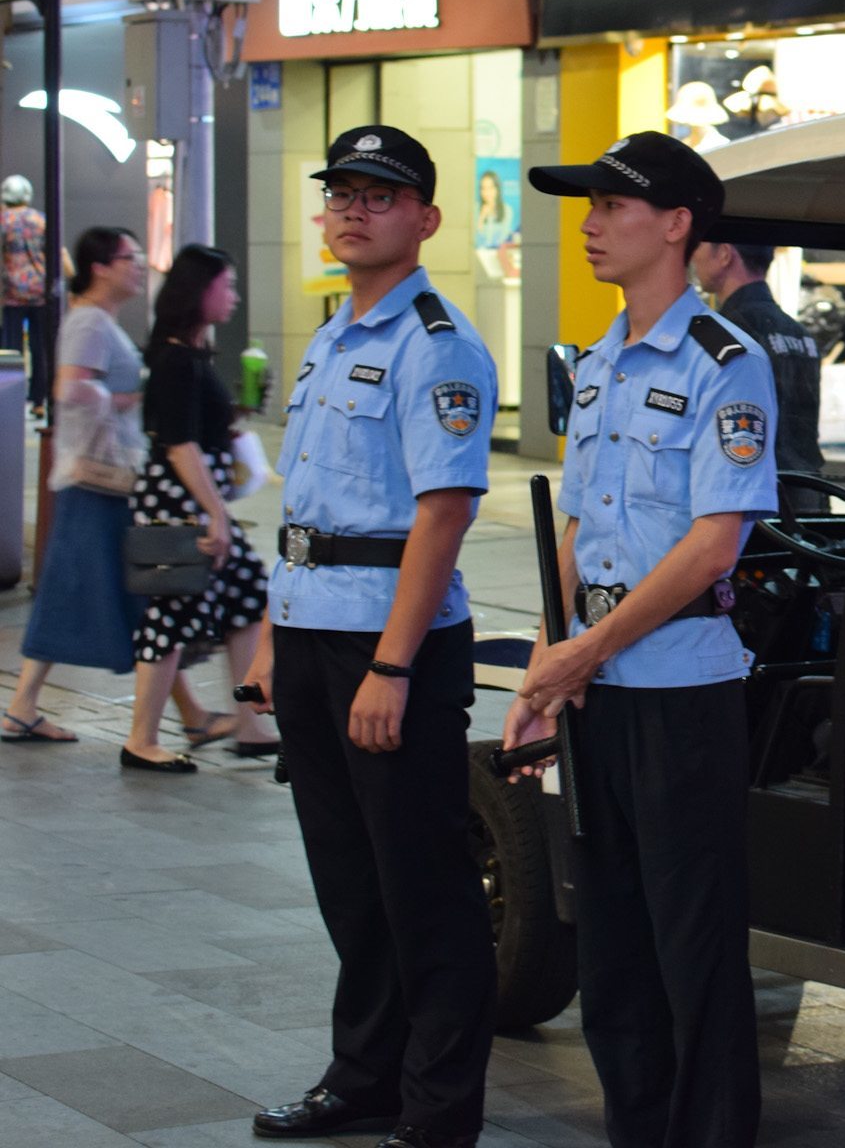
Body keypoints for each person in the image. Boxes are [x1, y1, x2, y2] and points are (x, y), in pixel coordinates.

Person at [506, 130, 777, 1148]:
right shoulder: (596, 363)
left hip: (679, 687)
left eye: (611, 208)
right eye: (587, 208)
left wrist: (587, 649)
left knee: (691, 945)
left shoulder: (726, 363)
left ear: (674, 225)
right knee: (610, 938)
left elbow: (713, 545)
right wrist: (547, 658)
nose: (589, 225)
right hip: (597, 689)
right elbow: (576, 524)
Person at [241, 126, 498, 1148]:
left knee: (423, 886)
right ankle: (366, 1076)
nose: (353, 209)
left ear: (424, 220)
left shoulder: (436, 343)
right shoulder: (329, 334)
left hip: (388, 648)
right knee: (350, 882)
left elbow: (442, 513)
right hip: (312, 639)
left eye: (379, 195)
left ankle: (438, 1108)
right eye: (341, 192)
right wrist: (270, 641)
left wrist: (392, 665)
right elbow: (305, 511)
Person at [122, 247, 278, 771]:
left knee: (248, 595)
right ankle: (141, 739)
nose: (232, 296)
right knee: (171, 612)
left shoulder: (188, 355)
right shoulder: (177, 359)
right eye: (226, 285)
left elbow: (197, 431)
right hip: (180, 503)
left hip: (189, 497)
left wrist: (237, 412)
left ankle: (250, 724)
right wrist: (214, 513)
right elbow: (180, 444)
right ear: (200, 291)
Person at [5, 228, 147, 744]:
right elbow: (70, 387)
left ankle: (23, 704)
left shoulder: (99, 320)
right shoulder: (89, 321)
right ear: (102, 266)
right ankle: (22, 705)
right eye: (130, 258)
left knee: (115, 593)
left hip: (100, 480)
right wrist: (123, 400)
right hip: (94, 479)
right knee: (94, 590)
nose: (140, 266)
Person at [691, 238, 825, 480]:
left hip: (752, 489)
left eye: (699, 246)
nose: (692, 256)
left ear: (724, 254)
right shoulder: (799, 332)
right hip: (807, 488)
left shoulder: (724, 331)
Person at [2, 174, 52, 416]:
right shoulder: (40, 219)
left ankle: (12, 399)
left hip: (11, 293)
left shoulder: (3, 220)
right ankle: (39, 400)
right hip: (40, 292)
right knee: (40, 347)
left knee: (11, 349)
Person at [472, 168, 516, 250]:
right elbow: (474, 240)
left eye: (491, 188)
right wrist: (482, 217)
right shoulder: (475, 208)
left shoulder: (507, 210)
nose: (487, 192)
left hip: (499, 255)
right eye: (483, 188)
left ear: (497, 189)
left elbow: (504, 239)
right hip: (479, 254)